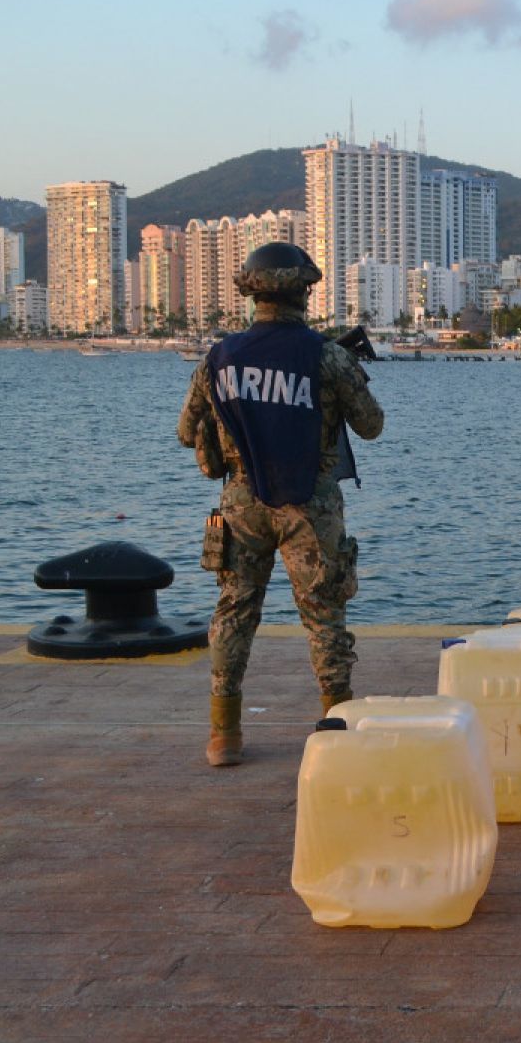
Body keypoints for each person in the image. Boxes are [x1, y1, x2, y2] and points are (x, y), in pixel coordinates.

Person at [177, 243, 384, 767]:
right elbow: (371, 425)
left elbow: (185, 433)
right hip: (310, 506)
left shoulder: (218, 358)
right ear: (304, 291)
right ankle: (338, 726)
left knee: (234, 611)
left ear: (251, 292)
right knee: (324, 615)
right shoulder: (328, 357)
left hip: (241, 501)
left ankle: (223, 734)